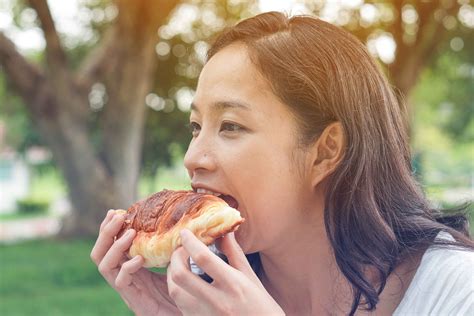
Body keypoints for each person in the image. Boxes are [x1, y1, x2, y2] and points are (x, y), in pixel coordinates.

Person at [90, 11, 474, 315]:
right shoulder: (203, 289)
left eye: (230, 126)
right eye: (195, 126)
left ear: (324, 152)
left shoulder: (456, 293)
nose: (193, 159)